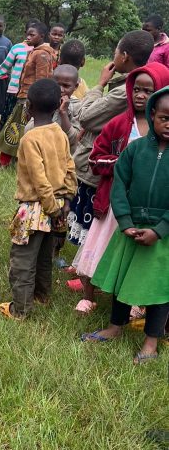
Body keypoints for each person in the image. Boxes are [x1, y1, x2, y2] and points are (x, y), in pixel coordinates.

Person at [73, 62, 169, 314]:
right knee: (97, 248)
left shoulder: (162, 131)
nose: (140, 95)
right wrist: (123, 164)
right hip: (113, 204)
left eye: (148, 91)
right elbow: (95, 158)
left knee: (138, 253)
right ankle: (89, 295)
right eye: (136, 89)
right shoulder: (119, 124)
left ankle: (135, 300)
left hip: (146, 209)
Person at [83, 87, 169, 364]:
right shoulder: (135, 149)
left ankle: (151, 342)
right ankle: (114, 326)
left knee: (159, 288)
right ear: (152, 115)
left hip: (162, 235)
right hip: (131, 228)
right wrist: (125, 222)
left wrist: (159, 230)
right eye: (165, 118)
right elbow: (119, 185)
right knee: (123, 280)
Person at [64, 31, 154, 274]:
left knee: (97, 221)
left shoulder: (124, 90)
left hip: (103, 168)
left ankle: (90, 270)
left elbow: (85, 117)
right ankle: (83, 266)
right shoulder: (136, 85)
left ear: (124, 56)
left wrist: (100, 84)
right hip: (110, 164)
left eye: (115, 51)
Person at [0, 78, 76, 319]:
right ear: (58, 106)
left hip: (36, 209)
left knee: (22, 260)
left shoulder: (30, 138)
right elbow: (70, 168)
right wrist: (66, 201)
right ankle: (42, 296)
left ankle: (20, 309)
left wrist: (51, 208)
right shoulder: (60, 133)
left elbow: (39, 179)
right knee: (44, 257)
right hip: (59, 206)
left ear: (28, 106)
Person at [0, 21, 56, 168]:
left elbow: (41, 81)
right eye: (27, 34)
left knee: (17, 129)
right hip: (24, 96)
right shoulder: (34, 51)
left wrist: (33, 102)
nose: (28, 37)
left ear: (41, 36)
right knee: (16, 129)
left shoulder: (42, 54)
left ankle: (12, 162)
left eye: (32, 35)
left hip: (29, 99)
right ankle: (11, 161)